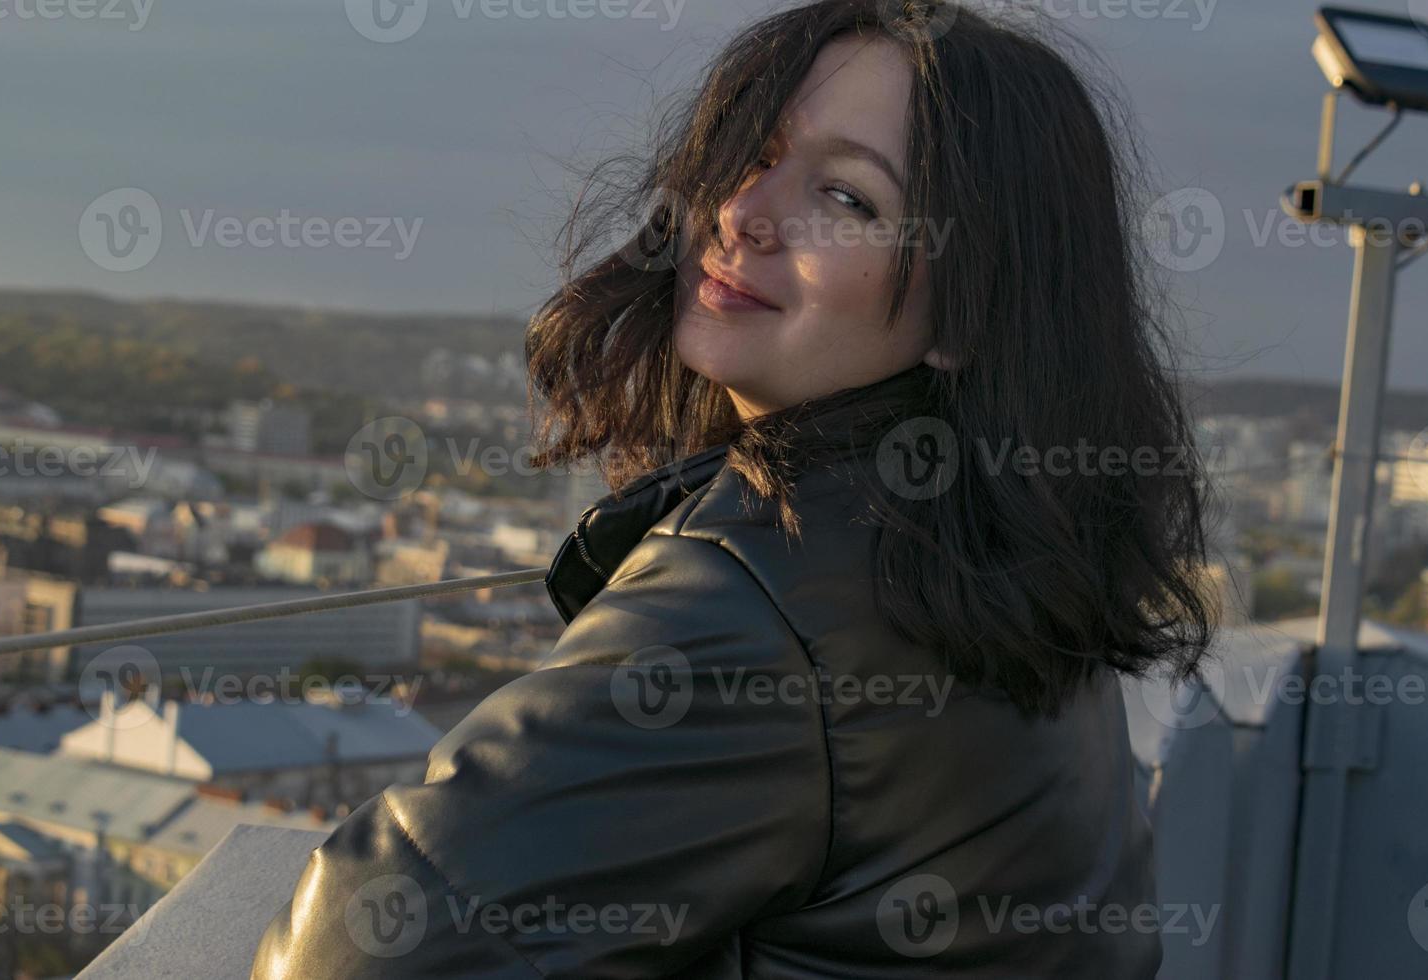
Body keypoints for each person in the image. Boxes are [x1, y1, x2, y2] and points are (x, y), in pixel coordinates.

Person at [251, 1, 1215, 975]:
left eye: (846, 197)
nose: (743, 213)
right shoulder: (1006, 565)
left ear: (969, 310)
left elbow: (355, 946)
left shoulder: (754, 613)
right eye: (754, 150)